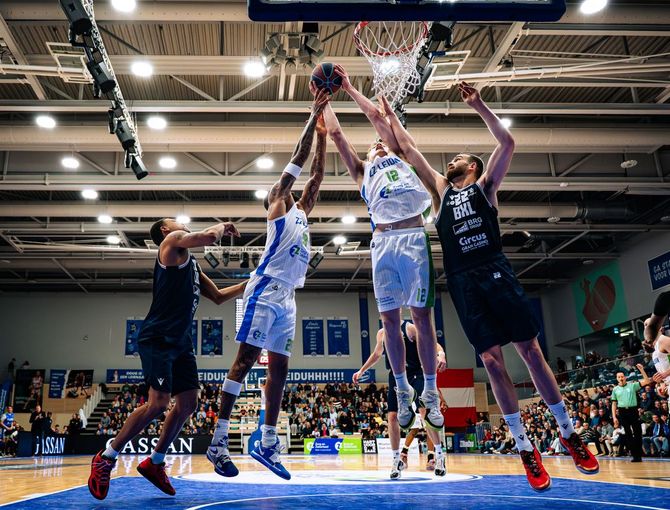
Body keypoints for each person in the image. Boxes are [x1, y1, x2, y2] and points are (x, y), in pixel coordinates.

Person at [375, 84, 598, 491]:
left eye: (460, 158)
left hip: (495, 270)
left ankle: (568, 431)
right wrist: (390, 117)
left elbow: (508, 142)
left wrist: (478, 105)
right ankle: (524, 447)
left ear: (474, 167)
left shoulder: (485, 188)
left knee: (530, 351)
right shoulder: (440, 192)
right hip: (463, 283)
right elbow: (407, 149)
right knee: (492, 362)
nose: (452, 161)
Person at [207, 88, 330, 481]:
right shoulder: (278, 204)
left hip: (289, 296)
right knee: (245, 361)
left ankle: (268, 441)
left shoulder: (303, 212)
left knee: (280, 369)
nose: (288, 190)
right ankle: (218, 441)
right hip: (266, 288)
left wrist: (324, 137)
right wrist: (312, 117)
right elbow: (299, 157)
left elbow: (317, 176)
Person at [87, 219, 246, 500]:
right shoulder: (170, 243)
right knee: (159, 403)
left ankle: (155, 462)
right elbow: (210, 236)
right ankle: (106, 457)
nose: (182, 222)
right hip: (158, 337)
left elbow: (219, 297)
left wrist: (254, 282)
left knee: (188, 404)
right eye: (176, 221)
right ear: (165, 230)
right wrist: (225, 225)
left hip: (181, 341)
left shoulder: (191, 264)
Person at [324, 66, 444, 435]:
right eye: (373, 145)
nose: (377, 144)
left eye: (381, 142)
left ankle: (431, 392)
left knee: (421, 318)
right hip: (382, 243)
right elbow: (337, 134)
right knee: (389, 321)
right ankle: (403, 390)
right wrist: (324, 100)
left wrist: (348, 88)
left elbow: (378, 116)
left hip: (413, 237)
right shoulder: (363, 172)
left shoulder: (402, 157)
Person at [353, 319, 446, 479]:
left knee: (425, 412)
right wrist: (361, 371)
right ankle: (397, 460)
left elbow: (432, 343)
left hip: (415, 373)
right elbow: (376, 354)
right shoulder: (382, 333)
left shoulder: (409, 328)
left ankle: (439, 455)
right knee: (392, 416)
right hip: (395, 376)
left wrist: (441, 354)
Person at [611, 371, 644, 462]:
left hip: (633, 410)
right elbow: (614, 404)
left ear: (625, 377)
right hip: (622, 412)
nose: (621, 378)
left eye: (622, 376)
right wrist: (614, 417)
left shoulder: (632, 385)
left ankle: (639, 455)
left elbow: (647, 381)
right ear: (617, 379)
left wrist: (642, 370)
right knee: (628, 433)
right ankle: (634, 455)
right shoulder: (615, 389)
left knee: (637, 432)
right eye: (619, 377)